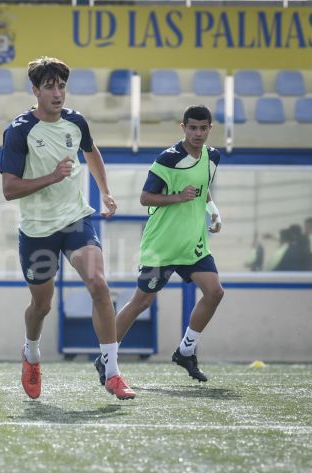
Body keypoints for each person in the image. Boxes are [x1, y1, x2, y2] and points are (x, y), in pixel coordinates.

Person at [0, 56, 135, 400]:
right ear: (36, 91)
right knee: (42, 306)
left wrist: (105, 192)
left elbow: (92, 152)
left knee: (99, 284)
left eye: (61, 86)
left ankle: (113, 372)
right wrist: (52, 177)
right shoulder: (19, 131)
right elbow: (9, 189)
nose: (57, 93)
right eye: (49, 86)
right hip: (38, 231)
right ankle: (31, 354)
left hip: (75, 219)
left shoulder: (76, 122)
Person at [95, 105, 224, 384]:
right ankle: (106, 356)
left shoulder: (213, 157)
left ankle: (185, 351)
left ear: (210, 129)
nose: (198, 133)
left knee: (214, 292)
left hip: (193, 244)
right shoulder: (168, 159)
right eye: (192, 128)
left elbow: (202, 188)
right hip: (162, 245)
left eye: (203, 128)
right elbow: (145, 197)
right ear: (183, 127)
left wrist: (212, 210)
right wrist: (178, 197)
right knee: (141, 302)